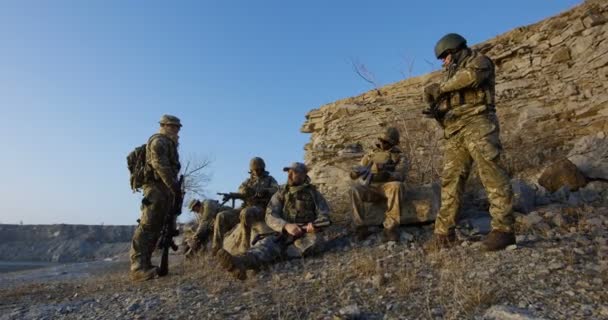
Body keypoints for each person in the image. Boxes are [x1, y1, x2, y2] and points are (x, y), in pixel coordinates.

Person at [423, 33, 515, 251]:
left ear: (456, 51)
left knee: (491, 172)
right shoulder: (449, 76)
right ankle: (444, 233)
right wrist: (436, 108)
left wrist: (441, 89)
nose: (444, 62)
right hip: (455, 129)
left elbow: (471, 78)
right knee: (450, 179)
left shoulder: (480, 61)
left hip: (479, 122)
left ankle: (504, 230)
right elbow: (447, 101)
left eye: (445, 57)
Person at [217, 162, 331, 280]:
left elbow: (325, 215)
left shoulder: (314, 193)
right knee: (264, 245)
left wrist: (314, 226)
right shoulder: (281, 192)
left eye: (294, 172)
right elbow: (270, 215)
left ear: (303, 175)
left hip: (306, 233)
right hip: (284, 233)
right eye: (288, 172)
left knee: (313, 243)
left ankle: (277, 255)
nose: (290, 175)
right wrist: (286, 226)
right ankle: (240, 262)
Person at [129, 114, 182, 281]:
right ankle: (138, 267)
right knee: (147, 225)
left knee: (158, 226)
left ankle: (146, 265)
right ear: (163, 126)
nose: (176, 129)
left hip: (163, 189)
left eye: (177, 127)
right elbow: (160, 166)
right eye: (172, 126)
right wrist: (175, 188)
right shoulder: (159, 141)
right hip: (155, 188)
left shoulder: (170, 143)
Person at [349, 127, 408, 242]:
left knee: (397, 186)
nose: (382, 143)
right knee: (354, 190)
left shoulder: (400, 156)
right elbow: (356, 172)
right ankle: (360, 228)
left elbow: (401, 175)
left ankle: (390, 228)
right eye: (381, 140)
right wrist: (355, 172)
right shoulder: (370, 155)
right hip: (371, 187)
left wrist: (386, 173)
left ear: (393, 143)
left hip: (387, 187)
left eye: (386, 142)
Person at [210, 157, 279, 254]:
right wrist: (245, 192)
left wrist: (266, 191)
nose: (257, 171)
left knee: (246, 213)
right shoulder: (248, 182)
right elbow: (241, 191)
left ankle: (245, 248)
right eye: (255, 170)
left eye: (259, 169)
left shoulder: (270, 179)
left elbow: (277, 190)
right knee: (221, 216)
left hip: (261, 208)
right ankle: (216, 249)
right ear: (251, 170)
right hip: (246, 206)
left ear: (263, 168)